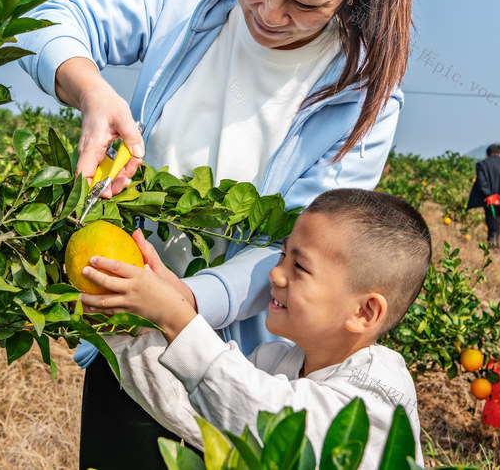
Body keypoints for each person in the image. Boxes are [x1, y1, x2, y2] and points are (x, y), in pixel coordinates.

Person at [15, 0, 418, 469]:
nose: (268, 12)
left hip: (248, 376)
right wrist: (91, 92)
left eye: (306, 2)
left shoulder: (360, 94)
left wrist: (186, 305)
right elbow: (44, 21)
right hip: (130, 345)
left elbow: (290, 245)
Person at [81, 189, 430, 468]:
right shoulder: (276, 361)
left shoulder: (378, 397)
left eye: (300, 267)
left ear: (365, 311)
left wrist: (176, 316)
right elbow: (195, 408)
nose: (276, 275)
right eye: (282, 256)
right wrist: (124, 325)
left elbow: (267, 416)